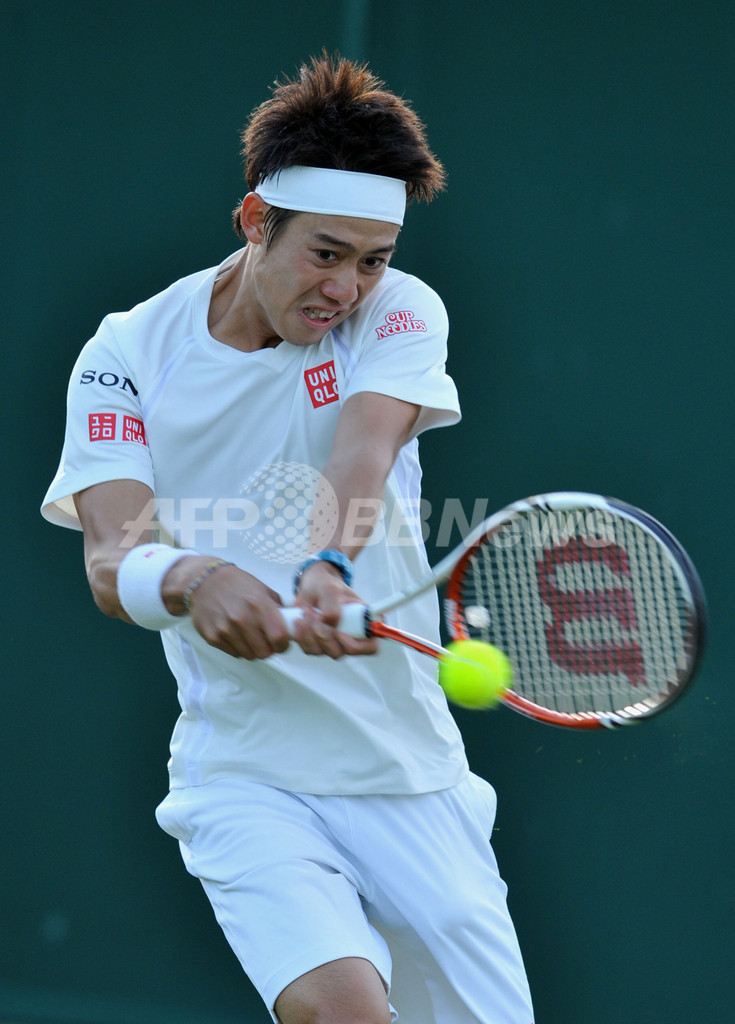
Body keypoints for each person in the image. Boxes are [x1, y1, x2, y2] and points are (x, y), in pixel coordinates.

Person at [42, 53, 534, 1024]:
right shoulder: (125, 353)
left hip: (409, 781)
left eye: (372, 259)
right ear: (253, 220)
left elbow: (365, 449)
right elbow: (110, 558)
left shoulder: (402, 311)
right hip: (244, 775)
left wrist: (328, 565)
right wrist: (192, 576)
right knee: (340, 1009)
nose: (347, 286)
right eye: (326, 253)